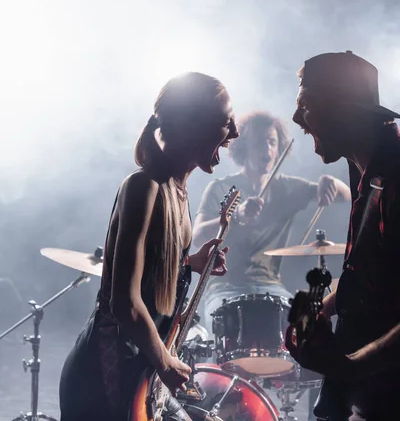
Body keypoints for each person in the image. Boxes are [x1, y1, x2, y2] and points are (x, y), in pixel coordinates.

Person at [59, 72, 238, 421]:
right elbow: (125, 302)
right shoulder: (144, 187)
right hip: (107, 376)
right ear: (193, 125)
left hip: (143, 367)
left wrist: (190, 264)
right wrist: (165, 362)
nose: (235, 132)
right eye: (226, 122)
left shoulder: (177, 190)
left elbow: (151, 274)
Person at [286, 50, 400, 420]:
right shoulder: (363, 166)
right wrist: (320, 308)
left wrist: (349, 365)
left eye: (306, 105)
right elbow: (373, 274)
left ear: (342, 109)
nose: (296, 119)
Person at [193, 111, 351, 333]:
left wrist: (331, 182)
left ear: (279, 149)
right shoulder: (220, 188)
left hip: (271, 288)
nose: (266, 149)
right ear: (243, 147)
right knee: (228, 329)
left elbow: (346, 195)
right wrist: (236, 216)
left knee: (303, 327)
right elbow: (198, 235)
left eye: (272, 142)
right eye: (259, 142)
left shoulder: (287, 187)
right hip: (225, 289)